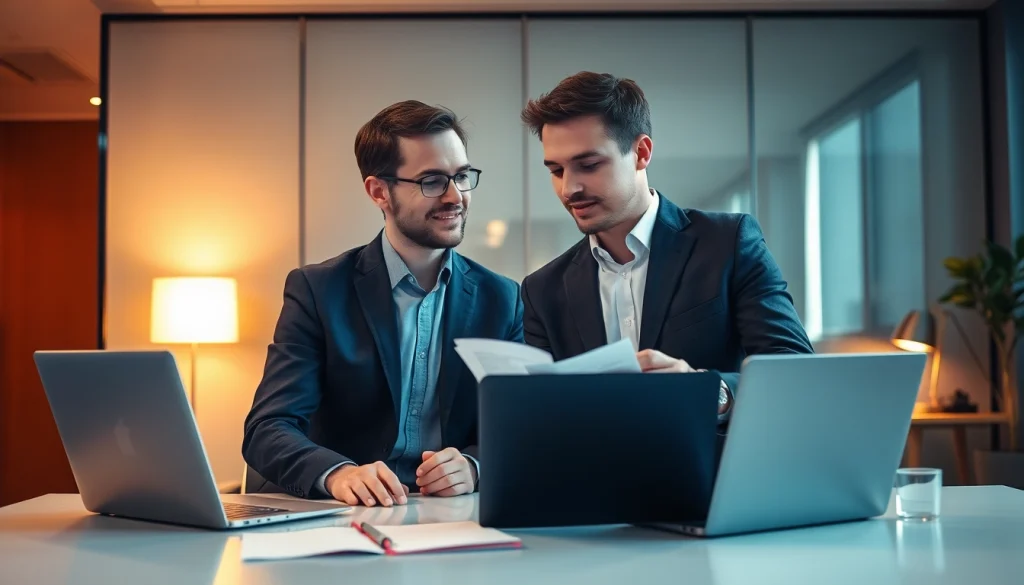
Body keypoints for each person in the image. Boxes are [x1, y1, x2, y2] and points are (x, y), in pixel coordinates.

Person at [243, 100, 523, 507]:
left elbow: (523, 426)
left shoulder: (503, 299)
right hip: (344, 517)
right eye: (431, 181)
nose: (454, 196)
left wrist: (474, 464)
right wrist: (338, 474)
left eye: (461, 176)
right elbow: (268, 429)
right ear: (379, 192)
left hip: (452, 519)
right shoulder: (318, 291)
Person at [519, 72, 813, 415]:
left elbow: (795, 371)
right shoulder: (542, 290)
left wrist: (708, 390)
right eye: (556, 170)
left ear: (641, 152)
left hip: (710, 467)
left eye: (588, 165)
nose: (569, 189)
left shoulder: (727, 244)